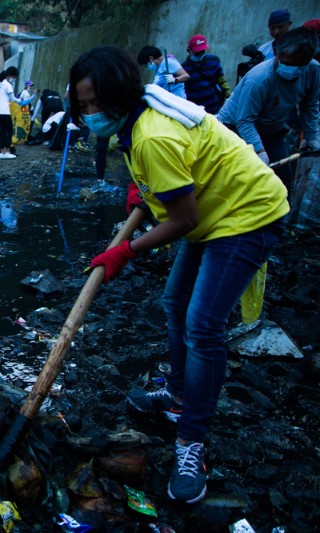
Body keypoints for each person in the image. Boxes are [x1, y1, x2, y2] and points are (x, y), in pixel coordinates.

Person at [71, 45, 289, 504]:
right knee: (175, 303)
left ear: (120, 93)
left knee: (203, 325)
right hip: (214, 208)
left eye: (97, 104)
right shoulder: (138, 117)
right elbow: (164, 183)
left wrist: (124, 252)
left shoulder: (152, 134)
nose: (91, 114)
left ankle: (192, 443)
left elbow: (183, 220)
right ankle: (175, 394)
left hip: (245, 215)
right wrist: (141, 190)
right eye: (84, 105)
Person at [218, 28, 320, 196]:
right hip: (235, 127)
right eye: (284, 62)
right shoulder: (259, 79)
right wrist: (259, 150)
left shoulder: (314, 71)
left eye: (294, 64)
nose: (289, 68)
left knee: (282, 181)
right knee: (239, 179)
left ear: (307, 61)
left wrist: (311, 137)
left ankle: (279, 218)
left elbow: (309, 105)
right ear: (278, 55)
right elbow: (244, 120)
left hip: (272, 129)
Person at [182, 35, 231, 114]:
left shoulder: (214, 60)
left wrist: (228, 95)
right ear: (189, 51)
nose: (200, 54)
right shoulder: (183, 69)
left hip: (216, 107)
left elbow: (221, 79)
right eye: (197, 52)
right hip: (196, 110)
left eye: (202, 51)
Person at [0, 67, 24, 159]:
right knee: (9, 131)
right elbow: (13, 98)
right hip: (4, 111)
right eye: (13, 77)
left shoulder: (0, 84)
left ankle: (2, 152)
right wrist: (21, 101)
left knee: (3, 131)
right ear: (10, 75)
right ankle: (6, 151)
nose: (13, 79)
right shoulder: (8, 85)